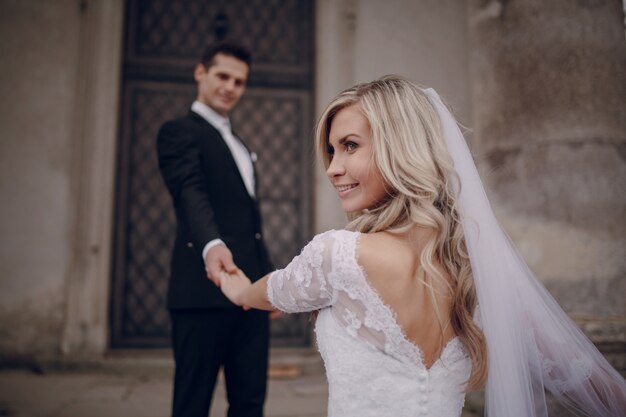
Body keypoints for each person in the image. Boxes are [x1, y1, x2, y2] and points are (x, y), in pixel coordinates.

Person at [218, 75, 626, 417]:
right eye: (330, 150)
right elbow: (584, 376)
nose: (332, 167)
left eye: (350, 145)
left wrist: (237, 288)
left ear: (401, 147)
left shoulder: (338, 255)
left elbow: (271, 290)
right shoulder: (474, 268)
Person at [156, 41, 273, 417]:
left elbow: (249, 221)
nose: (230, 87)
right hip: (201, 294)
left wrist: (266, 276)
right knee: (192, 404)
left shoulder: (238, 142)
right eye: (223, 76)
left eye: (239, 81)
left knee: (250, 402)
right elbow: (190, 192)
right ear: (200, 73)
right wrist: (210, 245)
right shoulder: (178, 132)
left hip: (250, 294)